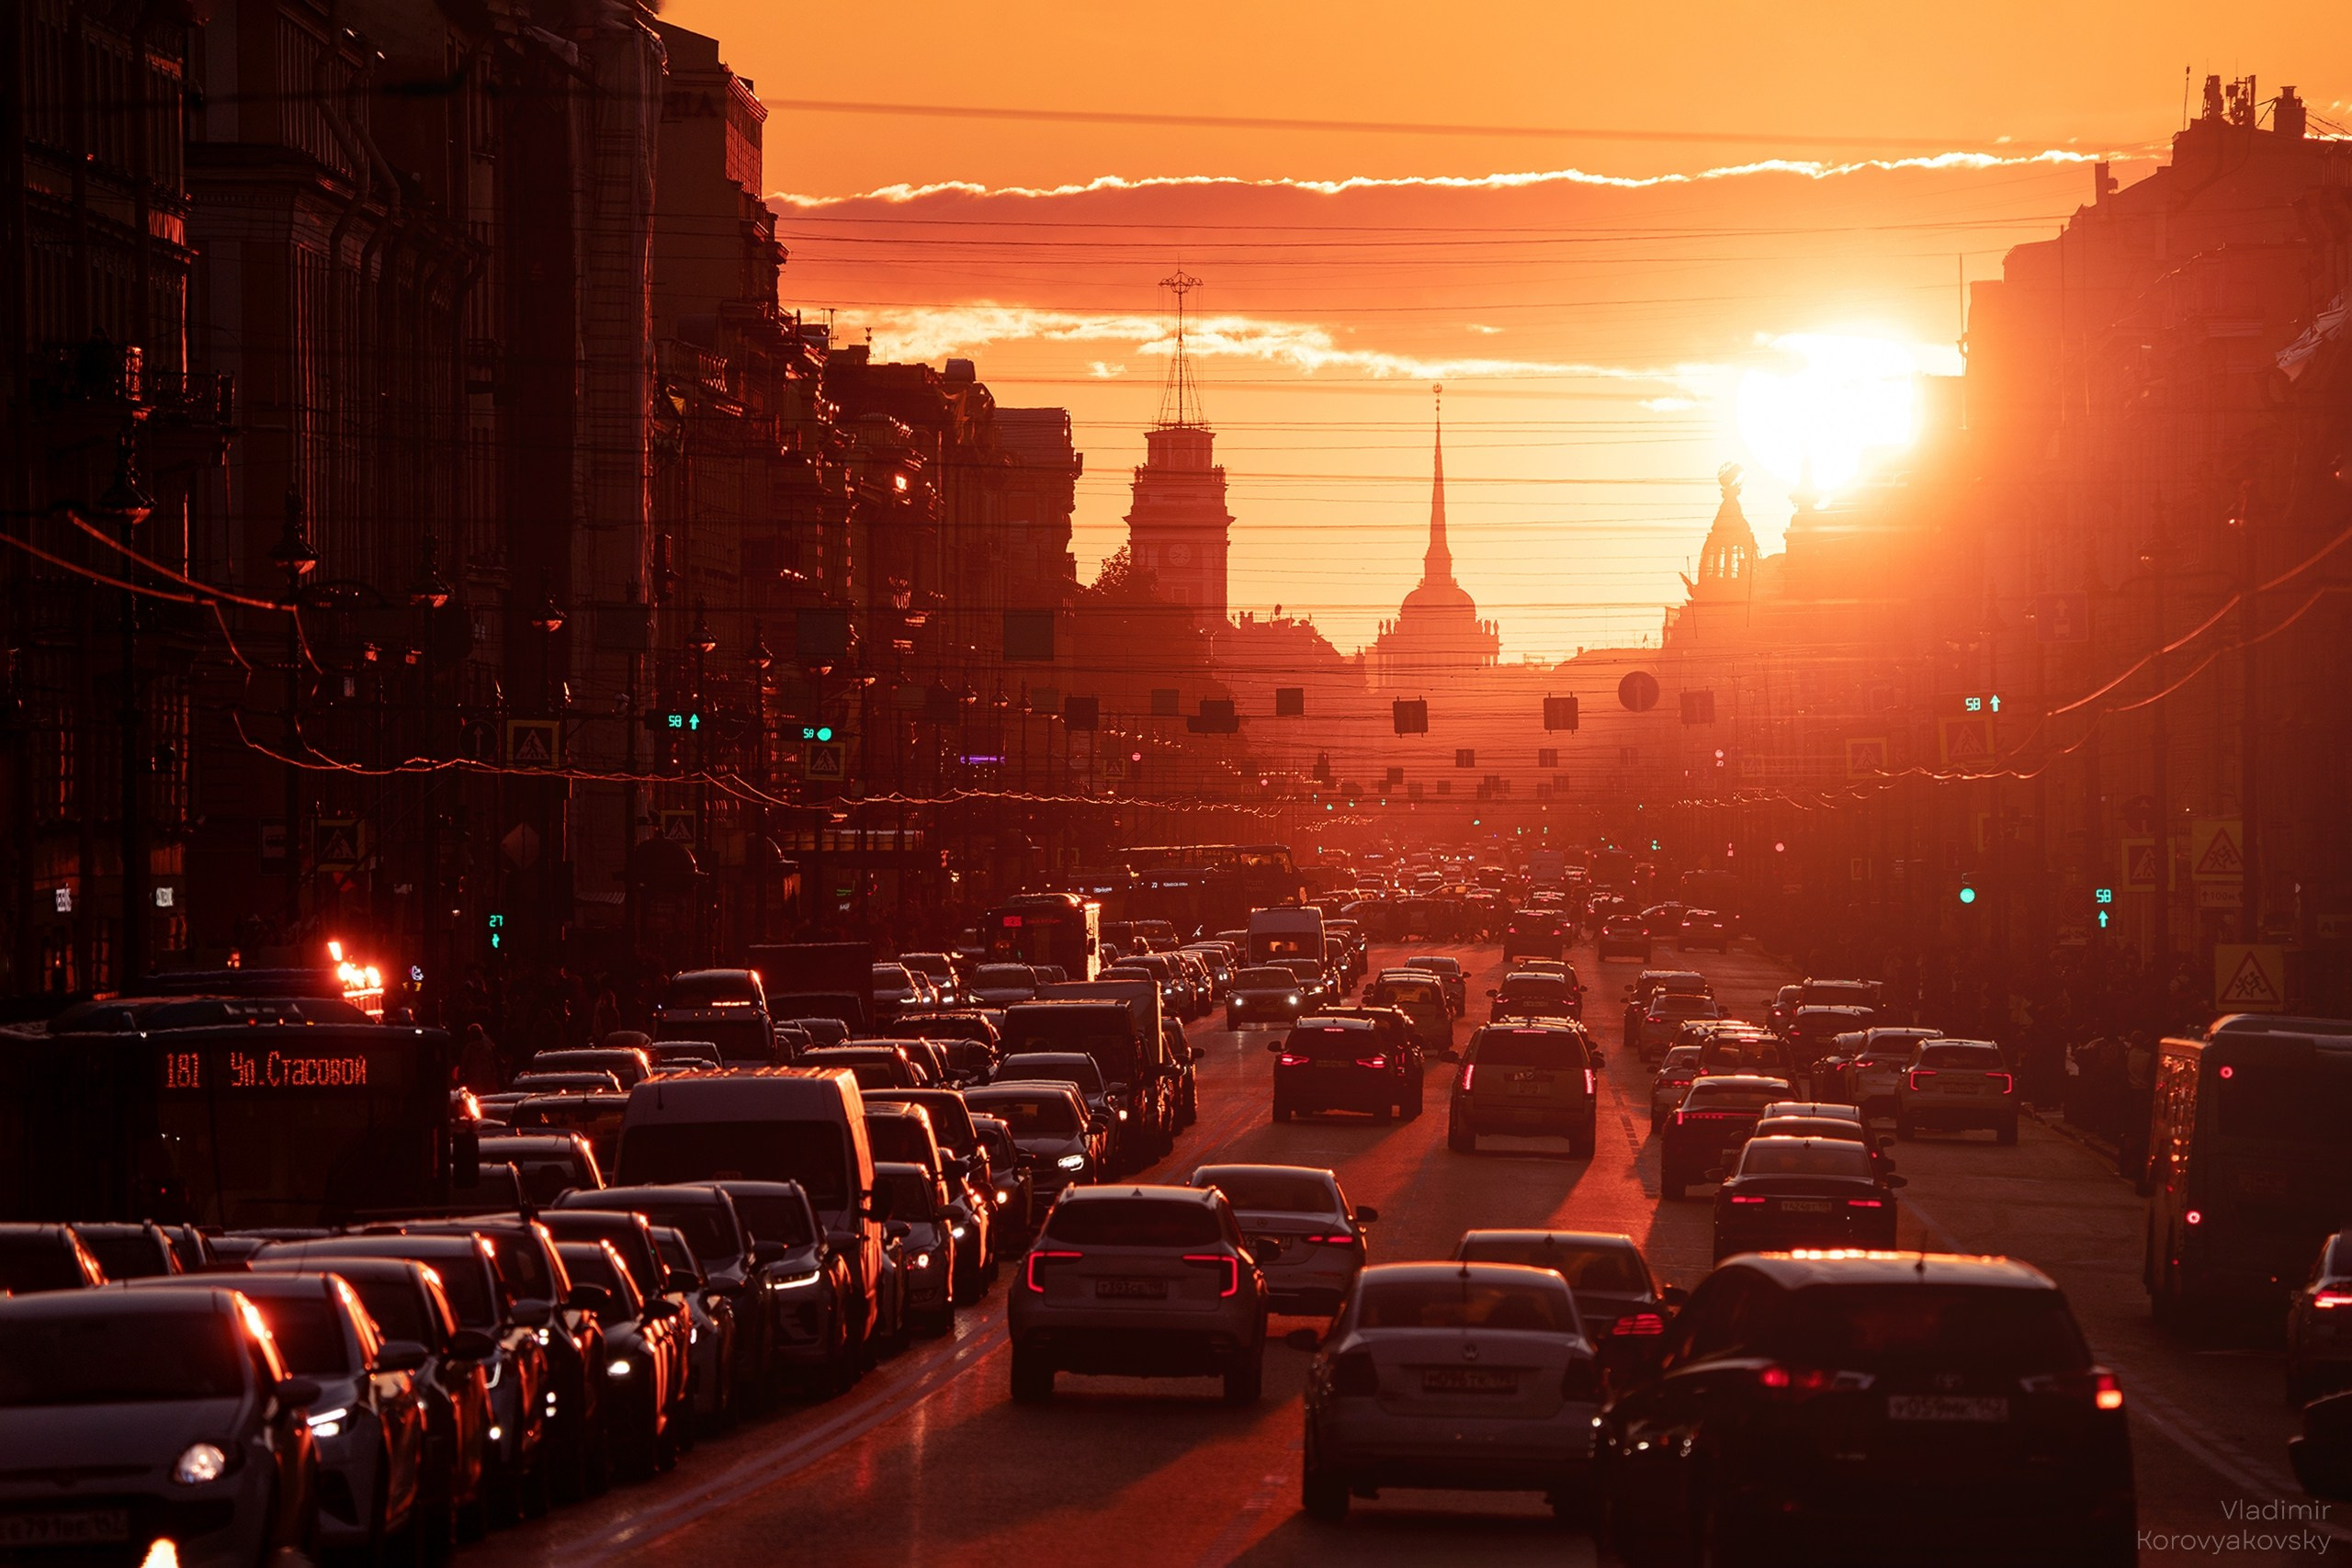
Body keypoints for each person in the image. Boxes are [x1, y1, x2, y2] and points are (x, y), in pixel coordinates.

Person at [458, 1021, 502, 1094]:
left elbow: (463, 1064)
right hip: (485, 1077)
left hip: (475, 1078)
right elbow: (491, 1062)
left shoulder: (469, 1048)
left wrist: (460, 1076)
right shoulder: (487, 1045)